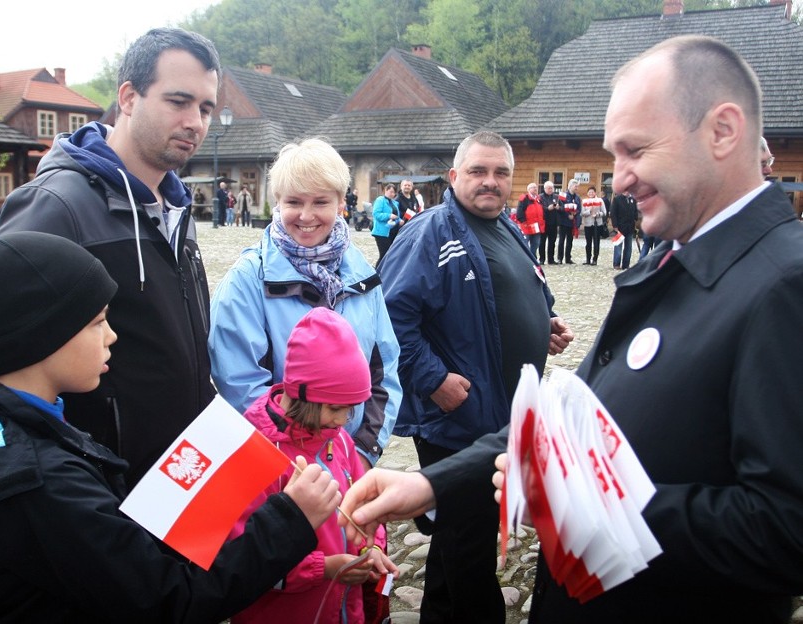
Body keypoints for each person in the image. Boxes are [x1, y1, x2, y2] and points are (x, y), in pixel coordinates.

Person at [340, 35, 803, 624]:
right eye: (615, 156)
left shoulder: (786, 284)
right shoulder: (667, 260)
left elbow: (787, 529)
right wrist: (432, 484)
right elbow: (559, 429)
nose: (620, 180)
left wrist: (583, 502)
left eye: (635, 150)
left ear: (722, 131)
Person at [0, 231, 341, 621]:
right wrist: (291, 519)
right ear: (45, 336)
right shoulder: (41, 483)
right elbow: (167, 601)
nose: (112, 335)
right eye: (97, 322)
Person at [0, 28, 219, 489]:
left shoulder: (177, 210)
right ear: (129, 97)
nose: (195, 121)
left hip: (176, 485)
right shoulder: (57, 205)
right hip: (98, 496)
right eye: (179, 101)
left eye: (206, 108)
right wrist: (64, 476)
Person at [376, 130, 574, 623]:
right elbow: (389, 316)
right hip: (458, 418)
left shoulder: (507, 227)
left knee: (461, 537)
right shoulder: (430, 232)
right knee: (471, 543)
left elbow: (513, 290)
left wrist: (542, 322)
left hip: (501, 414)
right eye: (478, 171)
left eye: (500, 173)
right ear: (454, 176)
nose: (490, 182)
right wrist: (432, 379)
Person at [208, 138, 401, 472]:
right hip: (283, 468)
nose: (307, 215)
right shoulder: (248, 278)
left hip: (350, 464)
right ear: (277, 202)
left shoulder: (362, 275)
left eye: (321, 202)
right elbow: (239, 383)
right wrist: (305, 461)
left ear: (341, 202)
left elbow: (384, 371)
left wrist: (362, 453)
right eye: (294, 202)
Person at [229, 308, 398, 624]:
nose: (343, 420)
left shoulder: (339, 439)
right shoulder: (255, 452)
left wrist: (369, 549)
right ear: (303, 395)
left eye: (351, 410)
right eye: (336, 408)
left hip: (346, 609)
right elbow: (241, 558)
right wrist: (325, 568)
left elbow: (365, 508)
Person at [516, 182, 546, 262]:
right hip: (527, 225)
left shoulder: (539, 199)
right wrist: (523, 222)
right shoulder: (524, 199)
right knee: (525, 243)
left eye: (536, 187)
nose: (535, 189)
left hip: (537, 226)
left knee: (536, 243)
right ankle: (524, 259)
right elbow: (519, 212)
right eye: (533, 187)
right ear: (529, 189)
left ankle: (532, 258)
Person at [370, 184, 399, 264]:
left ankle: (386, 273)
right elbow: (376, 214)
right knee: (384, 255)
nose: (392, 194)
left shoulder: (394, 203)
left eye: (394, 193)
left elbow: (396, 215)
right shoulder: (380, 200)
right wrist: (389, 216)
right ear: (386, 191)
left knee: (390, 254)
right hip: (381, 232)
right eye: (391, 192)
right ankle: (377, 273)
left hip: (392, 232)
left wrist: (399, 220)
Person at [610, 190, 638, 269]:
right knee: (618, 247)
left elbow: (635, 212)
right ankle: (616, 264)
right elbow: (613, 213)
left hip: (630, 227)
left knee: (628, 247)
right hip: (619, 227)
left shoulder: (632, 200)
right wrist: (615, 225)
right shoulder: (617, 199)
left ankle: (626, 264)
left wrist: (635, 219)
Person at [557, 178, 581, 264]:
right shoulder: (563, 195)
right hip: (563, 221)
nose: (576, 188)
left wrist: (575, 214)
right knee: (562, 240)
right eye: (575, 186)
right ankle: (560, 258)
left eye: (577, 186)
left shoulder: (577, 197)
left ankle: (568, 258)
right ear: (570, 186)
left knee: (570, 241)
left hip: (572, 222)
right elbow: (560, 207)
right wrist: (568, 215)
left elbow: (579, 208)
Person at [580, 185, 606, 265]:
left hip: (597, 224)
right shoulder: (584, 201)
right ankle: (588, 259)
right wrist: (589, 211)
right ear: (587, 193)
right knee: (588, 243)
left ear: (595, 193)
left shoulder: (600, 200)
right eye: (589, 192)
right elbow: (582, 213)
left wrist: (597, 214)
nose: (591, 193)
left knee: (596, 242)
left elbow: (604, 212)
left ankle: (595, 259)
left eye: (592, 192)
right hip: (588, 224)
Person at [539, 180, 560, 264]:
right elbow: (539, 208)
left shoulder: (556, 197)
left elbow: (562, 208)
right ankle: (542, 259)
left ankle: (551, 259)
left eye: (551, 188)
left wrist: (558, 207)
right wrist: (547, 208)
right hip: (544, 221)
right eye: (548, 188)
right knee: (542, 242)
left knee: (552, 242)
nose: (550, 190)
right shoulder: (540, 197)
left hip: (554, 222)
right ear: (544, 189)